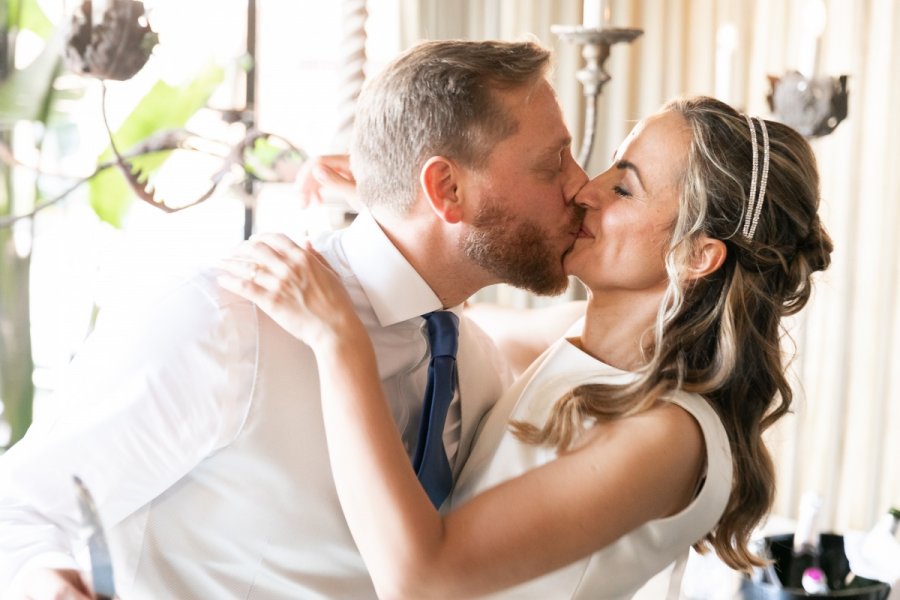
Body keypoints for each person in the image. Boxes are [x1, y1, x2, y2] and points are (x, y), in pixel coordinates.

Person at [0, 39, 587, 599]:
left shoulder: (475, 366)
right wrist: (46, 582)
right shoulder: (229, 323)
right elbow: (21, 506)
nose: (581, 186)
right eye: (554, 163)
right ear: (446, 187)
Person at [219, 96, 834, 598]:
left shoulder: (668, 435)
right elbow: (459, 311)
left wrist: (337, 340)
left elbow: (421, 579)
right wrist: (412, 204)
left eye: (625, 188)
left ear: (698, 255)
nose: (586, 191)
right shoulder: (584, 341)